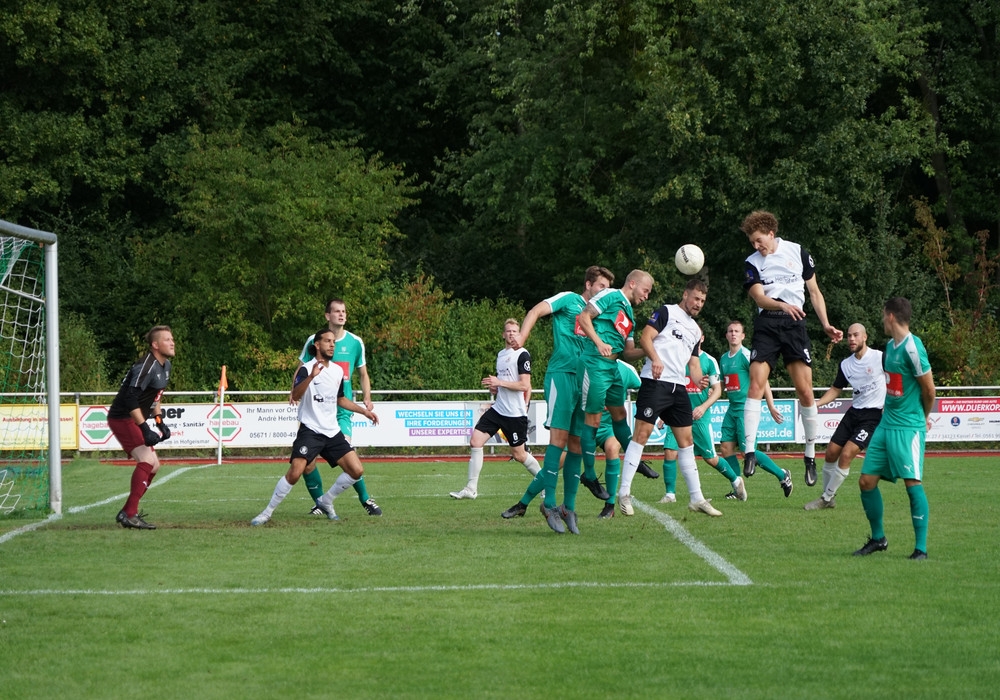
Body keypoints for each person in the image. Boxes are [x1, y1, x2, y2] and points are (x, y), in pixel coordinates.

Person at [739, 210, 843, 487]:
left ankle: (809, 456)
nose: (756, 246)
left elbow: (815, 292)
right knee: (755, 384)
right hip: (767, 324)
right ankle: (749, 451)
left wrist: (826, 324)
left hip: (795, 325)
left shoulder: (797, 252)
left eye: (759, 240)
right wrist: (782, 304)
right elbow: (759, 297)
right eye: (752, 242)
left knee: (805, 391)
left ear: (771, 234)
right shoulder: (751, 263)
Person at [513, 266, 616, 531]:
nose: (604, 292)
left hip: (585, 379)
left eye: (607, 288)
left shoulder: (600, 314)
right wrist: (523, 337)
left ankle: (568, 508)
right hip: (562, 375)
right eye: (601, 287)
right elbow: (536, 310)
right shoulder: (570, 299)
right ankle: (549, 505)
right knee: (558, 440)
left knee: (577, 444)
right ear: (589, 284)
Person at [617, 278, 723, 517]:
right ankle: (624, 493)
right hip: (655, 383)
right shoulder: (667, 311)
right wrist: (655, 359)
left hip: (678, 387)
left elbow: (694, 364)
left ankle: (696, 498)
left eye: (702, 301)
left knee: (686, 442)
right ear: (685, 295)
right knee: (641, 435)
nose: (698, 304)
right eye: (696, 298)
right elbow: (645, 338)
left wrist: (698, 379)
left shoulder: (696, 330)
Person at [252, 328, 379, 525]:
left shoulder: (337, 371)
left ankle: (326, 501)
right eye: (327, 341)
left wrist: (365, 411)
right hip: (310, 430)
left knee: (356, 470)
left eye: (333, 342)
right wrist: (311, 376)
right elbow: (295, 395)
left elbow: (340, 399)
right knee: (295, 472)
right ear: (317, 345)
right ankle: (267, 512)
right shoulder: (306, 369)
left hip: (332, 431)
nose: (332, 345)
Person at [501, 359, 641, 532]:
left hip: (606, 427)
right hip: (586, 425)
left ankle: (609, 505)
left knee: (613, 448)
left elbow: (645, 386)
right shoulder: (586, 360)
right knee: (558, 461)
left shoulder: (625, 369)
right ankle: (523, 503)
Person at [853, 298, 934, 559]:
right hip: (886, 424)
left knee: (912, 484)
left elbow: (929, 389)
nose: (881, 319)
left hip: (908, 426)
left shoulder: (913, 347)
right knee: (866, 481)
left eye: (882, 314)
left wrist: (924, 417)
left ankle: (920, 549)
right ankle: (878, 539)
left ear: (890, 316)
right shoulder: (889, 347)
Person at [574, 270, 653, 526]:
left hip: (613, 367)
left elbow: (629, 353)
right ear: (633, 284)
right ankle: (588, 475)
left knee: (620, 416)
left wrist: (651, 350)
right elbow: (584, 317)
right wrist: (598, 342)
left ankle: (635, 459)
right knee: (594, 422)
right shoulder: (609, 295)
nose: (646, 296)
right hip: (595, 364)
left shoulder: (629, 314)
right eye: (646, 290)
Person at [296, 298, 382, 517]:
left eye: (344, 311)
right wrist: (294, 392)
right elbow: (301, 370)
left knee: (347, 454)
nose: (341, 315)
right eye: (336, 311)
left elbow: (363, 373)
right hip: (316, 412)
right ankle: (320, 502)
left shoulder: (355, 342)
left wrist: (367, 398)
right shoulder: (314, 340)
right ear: (327, 316)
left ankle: (365, 499)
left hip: (341, 411)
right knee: (307, 464)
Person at [449, 319, 541, 499]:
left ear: (519, 334)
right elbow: (506, 383)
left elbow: (524, 385)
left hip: (514, 414)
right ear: (503, 334)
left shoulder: (522, 354)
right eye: (508, 331)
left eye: (515, 331)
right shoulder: (501, 354)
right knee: (475, 441)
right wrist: (497, 388)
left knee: (519, 455)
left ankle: (545, 482)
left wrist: (500, 382)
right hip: (498, 409)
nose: (512, 334)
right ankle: (471, 489)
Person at [655, 333, 747, 505]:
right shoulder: (678, 359)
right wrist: (663, 413)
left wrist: (703, 407)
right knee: (670, 451)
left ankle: (736, 481)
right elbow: (669, 387)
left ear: (702, 338)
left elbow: (717, 390)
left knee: (710, 458)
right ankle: (670, 494)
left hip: (699, 418)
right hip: (677, 415)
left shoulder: (709, 361)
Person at [804, 323, 885, 511]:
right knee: (831, 452)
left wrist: (891, 404)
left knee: (847, 454)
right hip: (854, 412)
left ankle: (825, 498)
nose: (852, 339)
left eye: (856, 335)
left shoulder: (880, 358)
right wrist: (816, 404)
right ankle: (829, 497)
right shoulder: (846, 364)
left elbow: (896, 378)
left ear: (864, 337)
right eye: (849, 336)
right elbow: (836, 389)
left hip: (873, 415)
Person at [108, 325, 176, 530]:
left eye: (172, 339)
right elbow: (129, 399)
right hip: (123, 418)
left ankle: (127, 511)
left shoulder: (166, 366)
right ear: (155, 345)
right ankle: (130, 514)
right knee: (146, 460)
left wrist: (159, 422)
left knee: (154, 466)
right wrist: (145, 428)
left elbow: (156, 397)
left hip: (134, 419)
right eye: (167, 340)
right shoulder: (145, 365)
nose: (172, 343)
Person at [717, 320, 790, 499]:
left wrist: (771, 406)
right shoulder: (724, 359)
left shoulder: (746, 355)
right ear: (726, 335)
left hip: (746, 408)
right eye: (730, 331)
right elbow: (722, 385)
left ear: (743, 336)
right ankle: (737, 488)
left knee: (748, 452)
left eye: (737, 331)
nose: (733, 334)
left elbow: (762, 380)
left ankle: (783, 475)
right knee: (726, 448)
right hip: (732, 408)